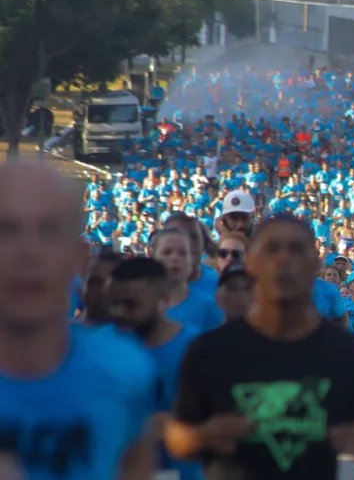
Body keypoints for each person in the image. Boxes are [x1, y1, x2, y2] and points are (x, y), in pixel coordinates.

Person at [167, 214, 354, 478]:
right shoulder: (209, 352)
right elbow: (177, 441)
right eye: (272, 249)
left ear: (315, 265)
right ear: (251, 263)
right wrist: (204, 435)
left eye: (296, 250)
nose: (283, 260)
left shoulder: (350, 356)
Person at [0, 163, 157, 479]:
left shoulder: (124, 372)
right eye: (6, 230)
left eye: (50, 231)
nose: (28, 252)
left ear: (79, 256)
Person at [108, 257, 204, 480]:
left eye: (131, 305)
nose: (120, 313)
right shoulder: (102, 350)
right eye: (115, 303)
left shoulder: (196, 349)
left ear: (163, 301)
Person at [151, 227, 224, 332]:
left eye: (182, 253)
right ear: (154, 258)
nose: (175, 258)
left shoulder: (208, 308)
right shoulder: (142, 307)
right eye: (167, 252)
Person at [81, 250, 125, 324]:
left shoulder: (137, 330)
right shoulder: (63, 329)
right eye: (95, 282)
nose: (103, 289)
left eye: (113, 283)